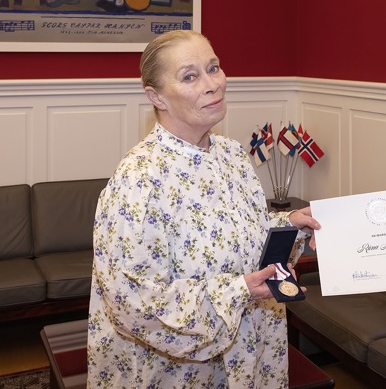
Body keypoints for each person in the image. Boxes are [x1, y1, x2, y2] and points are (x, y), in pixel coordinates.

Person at [86, 30, 321, 388]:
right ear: (156, 96)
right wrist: (239, 290)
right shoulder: (139, 179)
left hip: (252, 349)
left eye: (214, 68)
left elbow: (242, 233)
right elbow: (132, 301)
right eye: (189, 76)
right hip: (176, 369)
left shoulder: (232, 154)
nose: (213, 84)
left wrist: (290, 223)